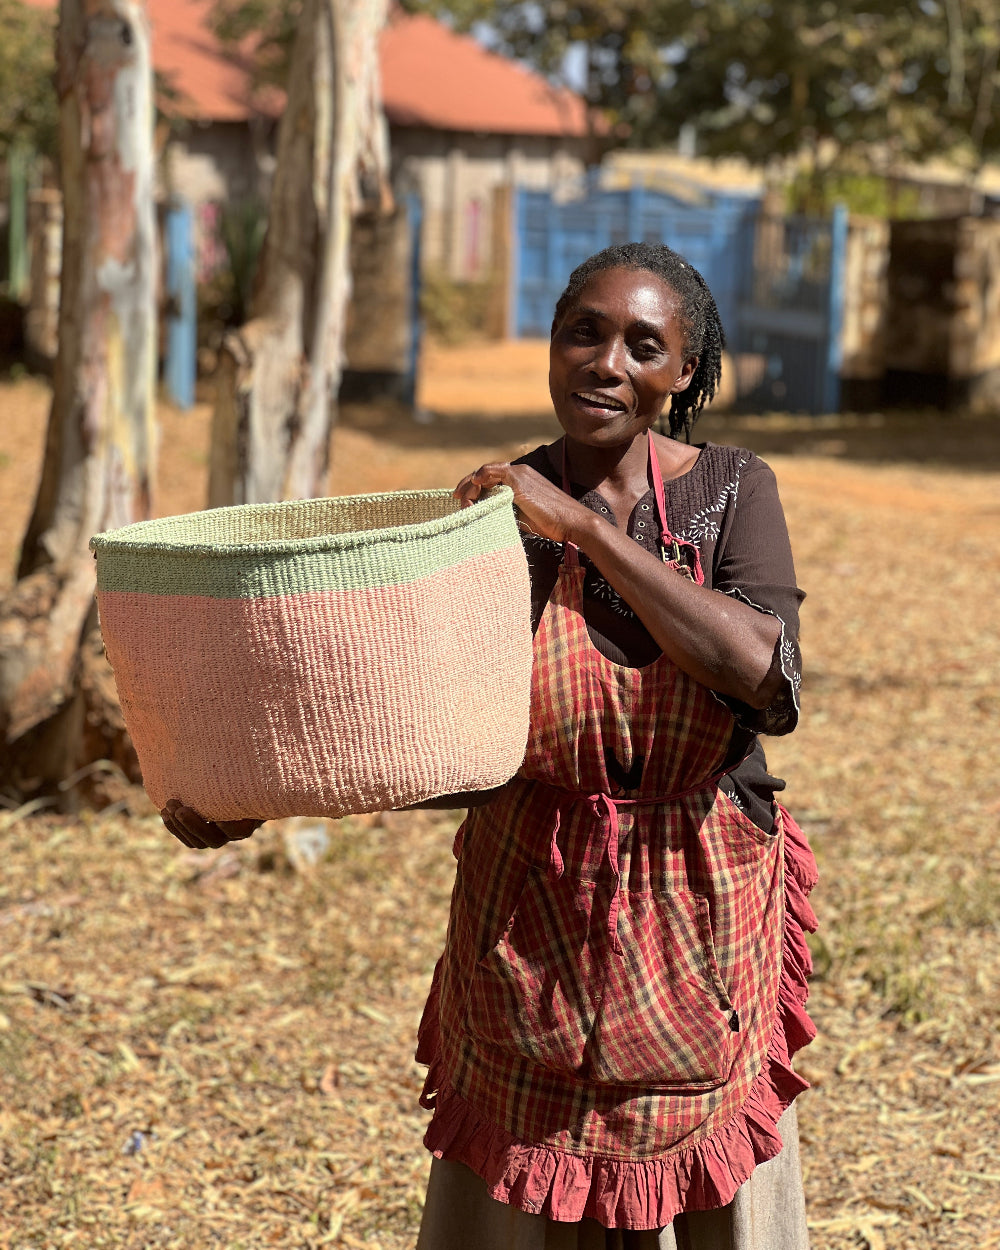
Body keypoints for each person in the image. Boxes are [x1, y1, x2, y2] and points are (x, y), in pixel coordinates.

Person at [162, 241, 818, 1249]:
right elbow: (434, 736)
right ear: (552, 348)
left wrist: (591, 532)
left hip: (700, 916)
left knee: (698, 1200)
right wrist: (254, 794)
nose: (606, 362)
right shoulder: (490, 518)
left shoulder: (731, 490)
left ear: (683, 371)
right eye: (582, 333)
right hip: (533, 918)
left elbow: (765, 679)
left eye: (644, 344)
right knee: (524, 1199)